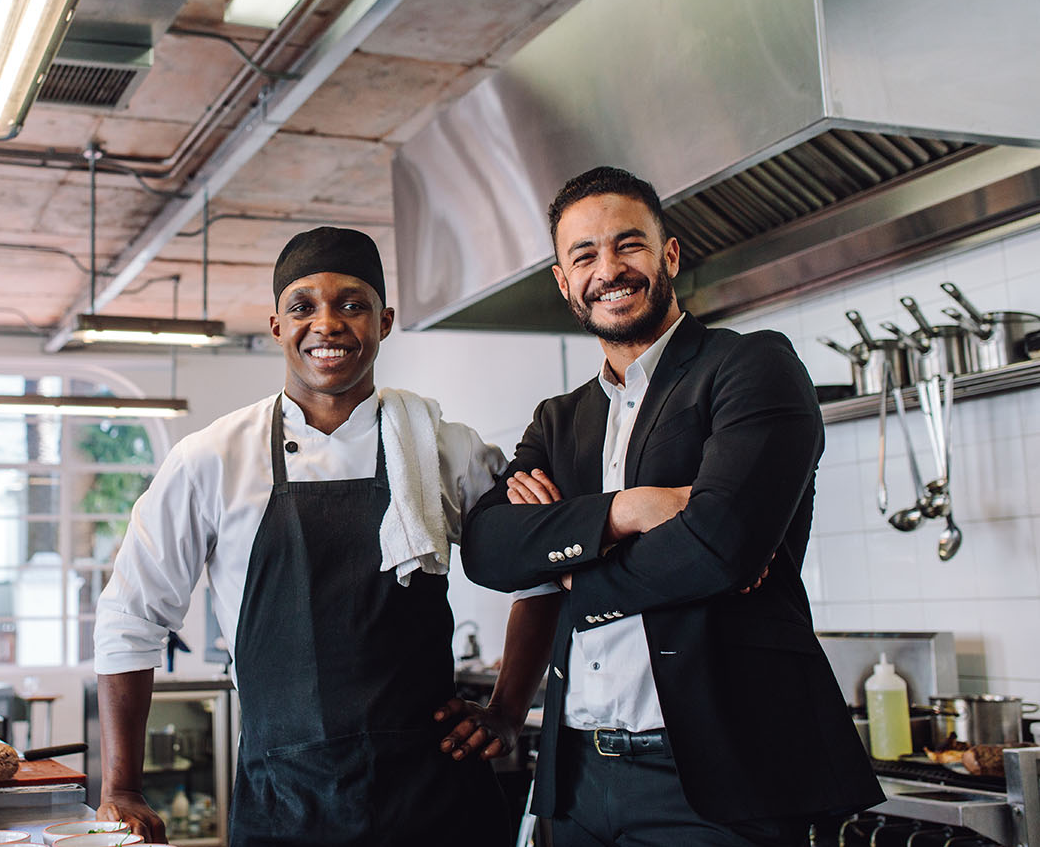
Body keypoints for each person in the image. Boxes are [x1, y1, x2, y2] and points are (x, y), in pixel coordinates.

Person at [454, 167, 883, 846]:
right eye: (584, 256)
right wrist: (623, 513)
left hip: (715, 784)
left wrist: (568, 565)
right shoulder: (558, 422)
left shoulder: (749, 367)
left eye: (629, 245)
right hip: (575, 781)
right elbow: (488, 550)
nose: (609, 270)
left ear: (670, 255)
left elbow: (720, 545)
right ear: (564, 283)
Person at [92, 227, 516, 847]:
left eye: (352, 304)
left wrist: (507, 708)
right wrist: (121, 785)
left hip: (434, 799)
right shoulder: (211, 458)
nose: (329, 324)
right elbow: (130, 616)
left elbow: (541, 568)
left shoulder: (444, 447)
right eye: (303, 306)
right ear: (275, 325)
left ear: (385, 320)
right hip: (285, 801)